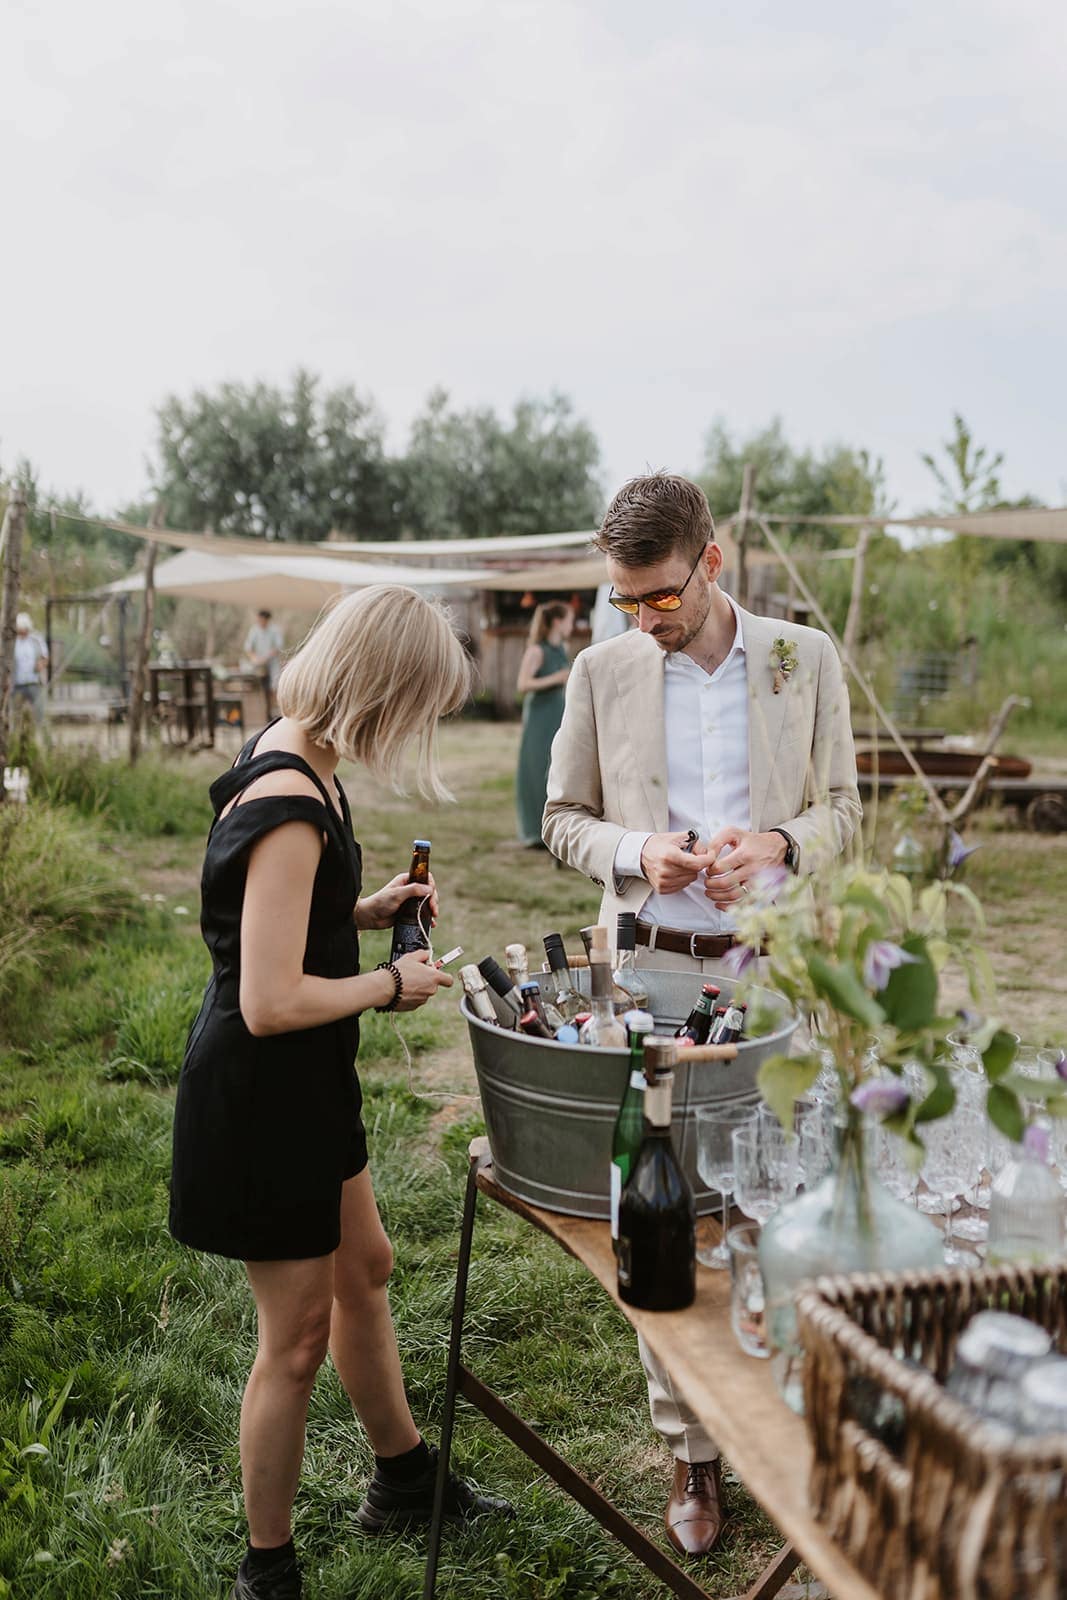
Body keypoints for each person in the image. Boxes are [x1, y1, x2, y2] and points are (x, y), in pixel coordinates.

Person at [169, 586, 511, 1600]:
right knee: (296, 1340)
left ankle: (404, 1478)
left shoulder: (305, 756)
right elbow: (269, 999)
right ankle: (264, 1570)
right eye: (420, 705)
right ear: (381, 689)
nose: (419, 728)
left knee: (366, 1264)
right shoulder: (288, 802)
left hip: (305, 1085)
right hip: (261, 1097)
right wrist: (389, 981)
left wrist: (364, 911)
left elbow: (276, 920)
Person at [543, 473, 860, 1559]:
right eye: (625, 601)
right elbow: (560, 817)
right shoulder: (600, 670)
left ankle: (784, 1420)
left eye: (660, 599)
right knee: (661, 1210)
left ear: (711, 562)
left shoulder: (800, 658)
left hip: (774, 969)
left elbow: (842, 812)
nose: (643, 619)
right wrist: (639, 852)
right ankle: (689, 1447)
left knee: (777, 1195)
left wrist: (773, 846)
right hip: (650, 976)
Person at [514, 601, 573, 847]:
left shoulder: (563, 648)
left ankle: (551, 830)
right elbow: (523, 685)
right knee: (536, 768)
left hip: (557, 713)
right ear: (558, 622)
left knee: (554, 769)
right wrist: (555, 679)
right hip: (539, 714)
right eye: (570, 619)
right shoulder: (537, 651)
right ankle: (533, 832)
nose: (572, 624)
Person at [244, 609, 285, 713]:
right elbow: (248, 647)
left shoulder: (274, 630)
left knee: (274, 686)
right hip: (259, 665)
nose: (260, 622)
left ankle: (275, 710)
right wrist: (255, 658)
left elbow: (278, 647)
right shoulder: (254, 630)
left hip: (272, 664)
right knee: (260, 688)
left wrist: (266, 657)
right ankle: (262, 711)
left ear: (267, 620)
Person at [12, 612, 49, 727]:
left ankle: (41, 738)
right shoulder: (12, 642)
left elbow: (45, 657)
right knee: (15, 714)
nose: (23, 632)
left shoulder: (36, 640)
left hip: (34, 683)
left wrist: (41, 664)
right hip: (17, 684)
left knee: (39, 714)